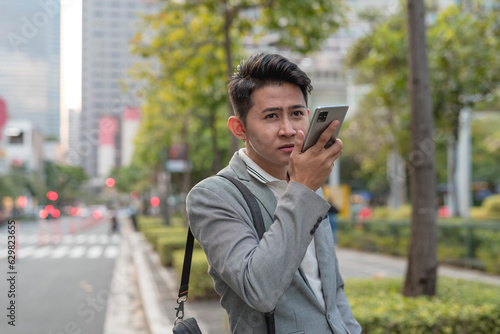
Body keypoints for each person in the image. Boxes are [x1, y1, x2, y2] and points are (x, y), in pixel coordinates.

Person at [187, 53, 361, 333]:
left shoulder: (309, 183)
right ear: (239, 128)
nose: (288, 130)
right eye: (271, 116)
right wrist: (303, 188)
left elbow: (333, 289)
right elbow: (259, 289)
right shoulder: (212, 196)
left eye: (297, 113)